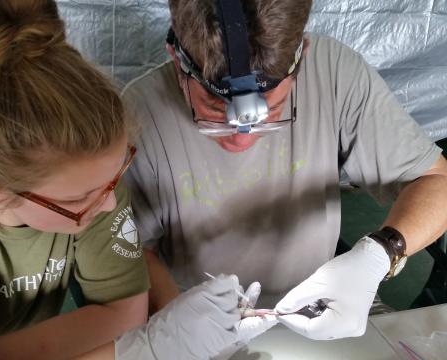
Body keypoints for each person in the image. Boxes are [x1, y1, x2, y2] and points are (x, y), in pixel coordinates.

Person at [123, 0, 447, 342]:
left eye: (272, 110)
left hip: (321, 307)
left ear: (300, 58)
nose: (241, 137)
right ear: (177, 60)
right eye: (215, 112)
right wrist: (178, 321)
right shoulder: (139, 114)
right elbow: (131, 251)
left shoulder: (334, 72)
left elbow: (436, 182)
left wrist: (380, 253)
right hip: (202, 322)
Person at [0, 1, 254, 359]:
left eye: (113, 180)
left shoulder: (92, 183)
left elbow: (123, 315)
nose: (107, 205)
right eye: (77, 201)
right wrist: (146, 349)